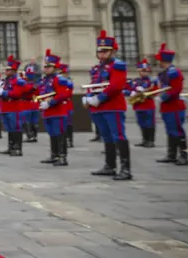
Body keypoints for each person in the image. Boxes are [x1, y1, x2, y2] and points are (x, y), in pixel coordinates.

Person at [84, 30, 130, 180]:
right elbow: (94, 85)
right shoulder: (97, 68)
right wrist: (88, 97)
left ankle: (125, 169)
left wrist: (100, 98)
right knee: (106, 136)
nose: (102, 54)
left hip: (113, 106)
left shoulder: (118, 65)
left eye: (105, 51)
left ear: (113, 51)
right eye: (100, 51)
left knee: (118, 135)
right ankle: (110, 166)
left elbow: (116, 86)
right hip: (99, 108)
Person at [36, 50, 73, 166]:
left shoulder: (59, 79)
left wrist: (51, 102)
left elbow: (64, 94)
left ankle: (62, 157)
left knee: (60, 133)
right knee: (52, 133)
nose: (46, 69)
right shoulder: (44, 80)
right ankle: (54, 154)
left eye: (49, 67)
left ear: (55, 67)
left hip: (58, 111)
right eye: (45, 66)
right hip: (48, 111)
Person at [154, 43, 188, 166]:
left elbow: (176, 89)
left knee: (177, 131)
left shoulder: (174, 72)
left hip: (174, 106)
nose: (158, 62)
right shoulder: (164, 72)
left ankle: (184, 155)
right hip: (167, 107)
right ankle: (172, 154)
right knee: (170, 131)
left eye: (160, 60)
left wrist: (164, 97)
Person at [0, 56, 30, 156]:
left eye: (8, 70)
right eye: (6, 69)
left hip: (14, 108)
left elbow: (16, 94)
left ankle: (17, 148)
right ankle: (11, 146)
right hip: (6, 107)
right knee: (9, 128)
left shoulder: (18, 81)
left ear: (14, 70)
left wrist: (4, 93)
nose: (6, 71)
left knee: (16, 128)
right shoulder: (5, 81)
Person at [125, 58, 158, 149]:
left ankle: (151, 141)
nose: (144, 73)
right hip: (138, 105)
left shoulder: (152, 82)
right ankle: (144, 140)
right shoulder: (135, 81)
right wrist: (131, 93)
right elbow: (127, 90)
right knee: (141, 123)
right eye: (142, 71)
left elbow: (155, 92)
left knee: (149, 123)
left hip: (148, 105)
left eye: (146, 71)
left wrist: (145, 92)